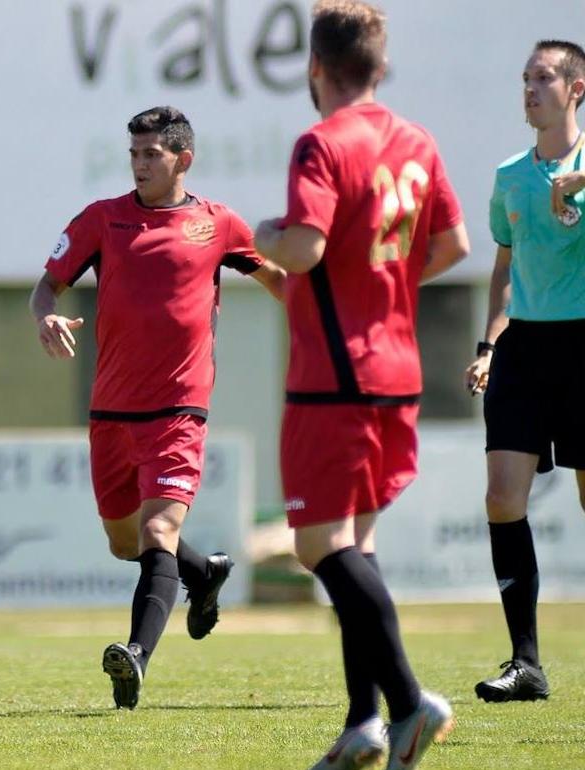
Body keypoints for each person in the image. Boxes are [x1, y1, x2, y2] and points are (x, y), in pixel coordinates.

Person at [253, 2, 470, 768]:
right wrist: (380, 285)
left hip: (335, 378)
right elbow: (453, 244)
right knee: (358, 545)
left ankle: (409, 704)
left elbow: (305, 247)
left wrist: (261, 236)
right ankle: (361, 722)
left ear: (315, 69)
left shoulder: (321, 141)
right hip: (397, 368)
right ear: (379, 66)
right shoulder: (417, 140)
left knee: (318, 547)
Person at [30, 106, 285, 710]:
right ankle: (204, 573)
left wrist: (326, 321)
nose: (141, 165)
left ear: (183, 159)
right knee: (127, 544)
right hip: (112, 410)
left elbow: (278, 279)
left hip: (179, 407)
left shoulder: (217, 223)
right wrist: (44, 316)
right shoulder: (102, 219)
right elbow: (48, 284)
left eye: (153, 155)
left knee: (157, 529)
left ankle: (136, 657)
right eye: (135, 155)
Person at [463, 39, 585, 704]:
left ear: (577, 89)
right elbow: (504, 270)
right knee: (501, 497)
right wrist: (488, 345)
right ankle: (526, 664)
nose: (530, 90)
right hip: (525, 349)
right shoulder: (510, 174)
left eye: (544, 78)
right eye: (525, 79)